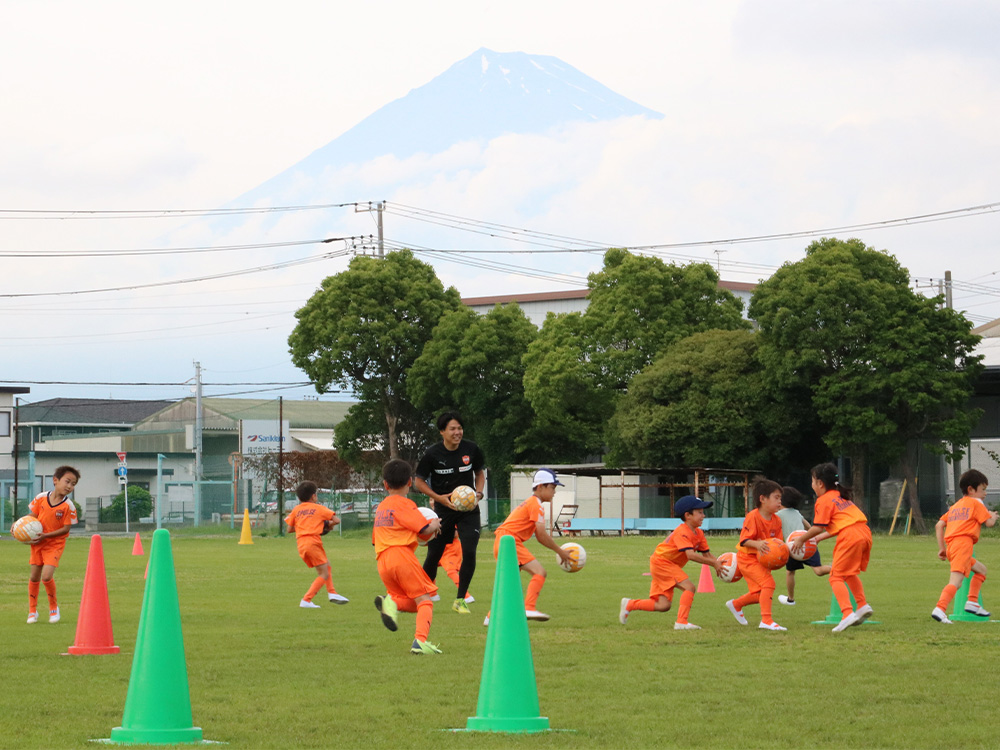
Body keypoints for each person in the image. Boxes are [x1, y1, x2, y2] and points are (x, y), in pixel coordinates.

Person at [415, 411, 486, 614]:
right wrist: (439, 498)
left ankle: (460, 600)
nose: (457, 432)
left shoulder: (471, 449)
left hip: (469, 509)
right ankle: (421, 595)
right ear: (442, 432)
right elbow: (419, 481)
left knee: (470, 552)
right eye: (452, 429)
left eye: (460, 428)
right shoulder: (432, 454)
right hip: (443, 510)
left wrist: (478, 494)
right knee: (434, 554)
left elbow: (480, 473)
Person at [790, 462, 874, 632]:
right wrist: (819, 538)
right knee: (849, 573)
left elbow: (817, 526)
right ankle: (862, 605)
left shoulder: (823, 500)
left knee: (835, 576)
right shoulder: (840, 495)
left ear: (820, 483)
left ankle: (847, 613)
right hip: (864, 533)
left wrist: (801, 540)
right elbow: (841, 524)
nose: (811, 485)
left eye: (812, 481)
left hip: (850, 536)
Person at [484, 468, 574, 626]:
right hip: (510, 541)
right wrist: (560, 551)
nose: (554, 492)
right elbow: (541, 534)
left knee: (510, 585)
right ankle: (529, 607)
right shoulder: (536, 504)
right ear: (540, 487)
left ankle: (491, 618)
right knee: (540, 572)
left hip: (503, 541)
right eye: (552, 487)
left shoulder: (532, 503)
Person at [619, 495, 723, 631]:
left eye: (703, 512)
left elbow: (707, 554)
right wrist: (714, 564)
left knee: (663, 605)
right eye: (700, 512)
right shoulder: (682, 532)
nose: (703, 515)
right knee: (689, 587)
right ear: (688, 515)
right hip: (662, 563)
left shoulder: (699, 533)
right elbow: (690, 555)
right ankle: (681, 622)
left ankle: (630, 604)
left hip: (663, 564)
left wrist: (721, 564)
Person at [372, 458, 444, 655]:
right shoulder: (405, 504)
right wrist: (436, 525)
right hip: (401, 556)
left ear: (385, 484)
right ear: (410, 482)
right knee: (426, 601)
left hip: (382, 560)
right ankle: (420, 642)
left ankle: (391, 603)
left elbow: (375, 539)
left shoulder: (381, 507)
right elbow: (424, 528)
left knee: (414, 603)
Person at [932, 469, 998, 624]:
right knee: (956, 581)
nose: (985, 493)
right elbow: (989, 523)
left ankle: (972, 602)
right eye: (983, 489)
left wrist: (942, 548)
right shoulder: (976, 503)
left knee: (981, 570)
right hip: (963, 544)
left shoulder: (956, 506)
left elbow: (939, 525)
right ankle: (940, 609)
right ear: (971, 489)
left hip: (952, 546)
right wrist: (993, 516)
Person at [726, 477, 787, 631]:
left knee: (760, 593)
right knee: (769, 584)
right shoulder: (753, 517)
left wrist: (787, 551)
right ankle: (766, 620)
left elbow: (778, 544)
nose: (780, 502)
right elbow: (744, 541)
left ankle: (736, 604)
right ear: (762, 499)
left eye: (781, 498)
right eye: (776, 497)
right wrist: (758, 544)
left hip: (762, 560)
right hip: (747, 559)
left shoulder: (777, 521)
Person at [26, 466, 80, 624]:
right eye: (67, 481)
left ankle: (53, 608)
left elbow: (66, 529)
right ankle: (32, 611)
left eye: (73, 484)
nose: (69, 486)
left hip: (54, 544)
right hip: (38, 543)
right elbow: (32, 516)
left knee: (46, 576)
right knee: (34, 577)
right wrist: (19, 525)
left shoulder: (68, 506)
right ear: (55, 480)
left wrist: (46, 535)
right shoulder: (41, 497)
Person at [284, 481, 349, 608]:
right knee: (323, 574)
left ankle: (332, 593)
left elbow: (289, 529)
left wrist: (306, 526)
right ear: (314, 496)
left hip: (301, 544)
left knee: (326, 565)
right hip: (313, 542)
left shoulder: (296, 510)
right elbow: (336, 520)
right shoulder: (318, 508)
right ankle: (306, 600)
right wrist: (326, 526)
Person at [776, 486, 831, 606]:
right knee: (818, 570)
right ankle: (836, 568)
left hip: (793, 548)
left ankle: (791, 599)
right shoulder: (797, 513)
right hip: (808, 545)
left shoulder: (778, 515)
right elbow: (810, 528)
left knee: (790, 572)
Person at [430, 533, 475, 604]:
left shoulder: (448, 521)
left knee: (451, 572)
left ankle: (466, 596)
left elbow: (455, 534)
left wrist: (436, 532)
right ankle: (432, 594)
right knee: (429, 568)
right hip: (438, 547)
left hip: (450, 548)